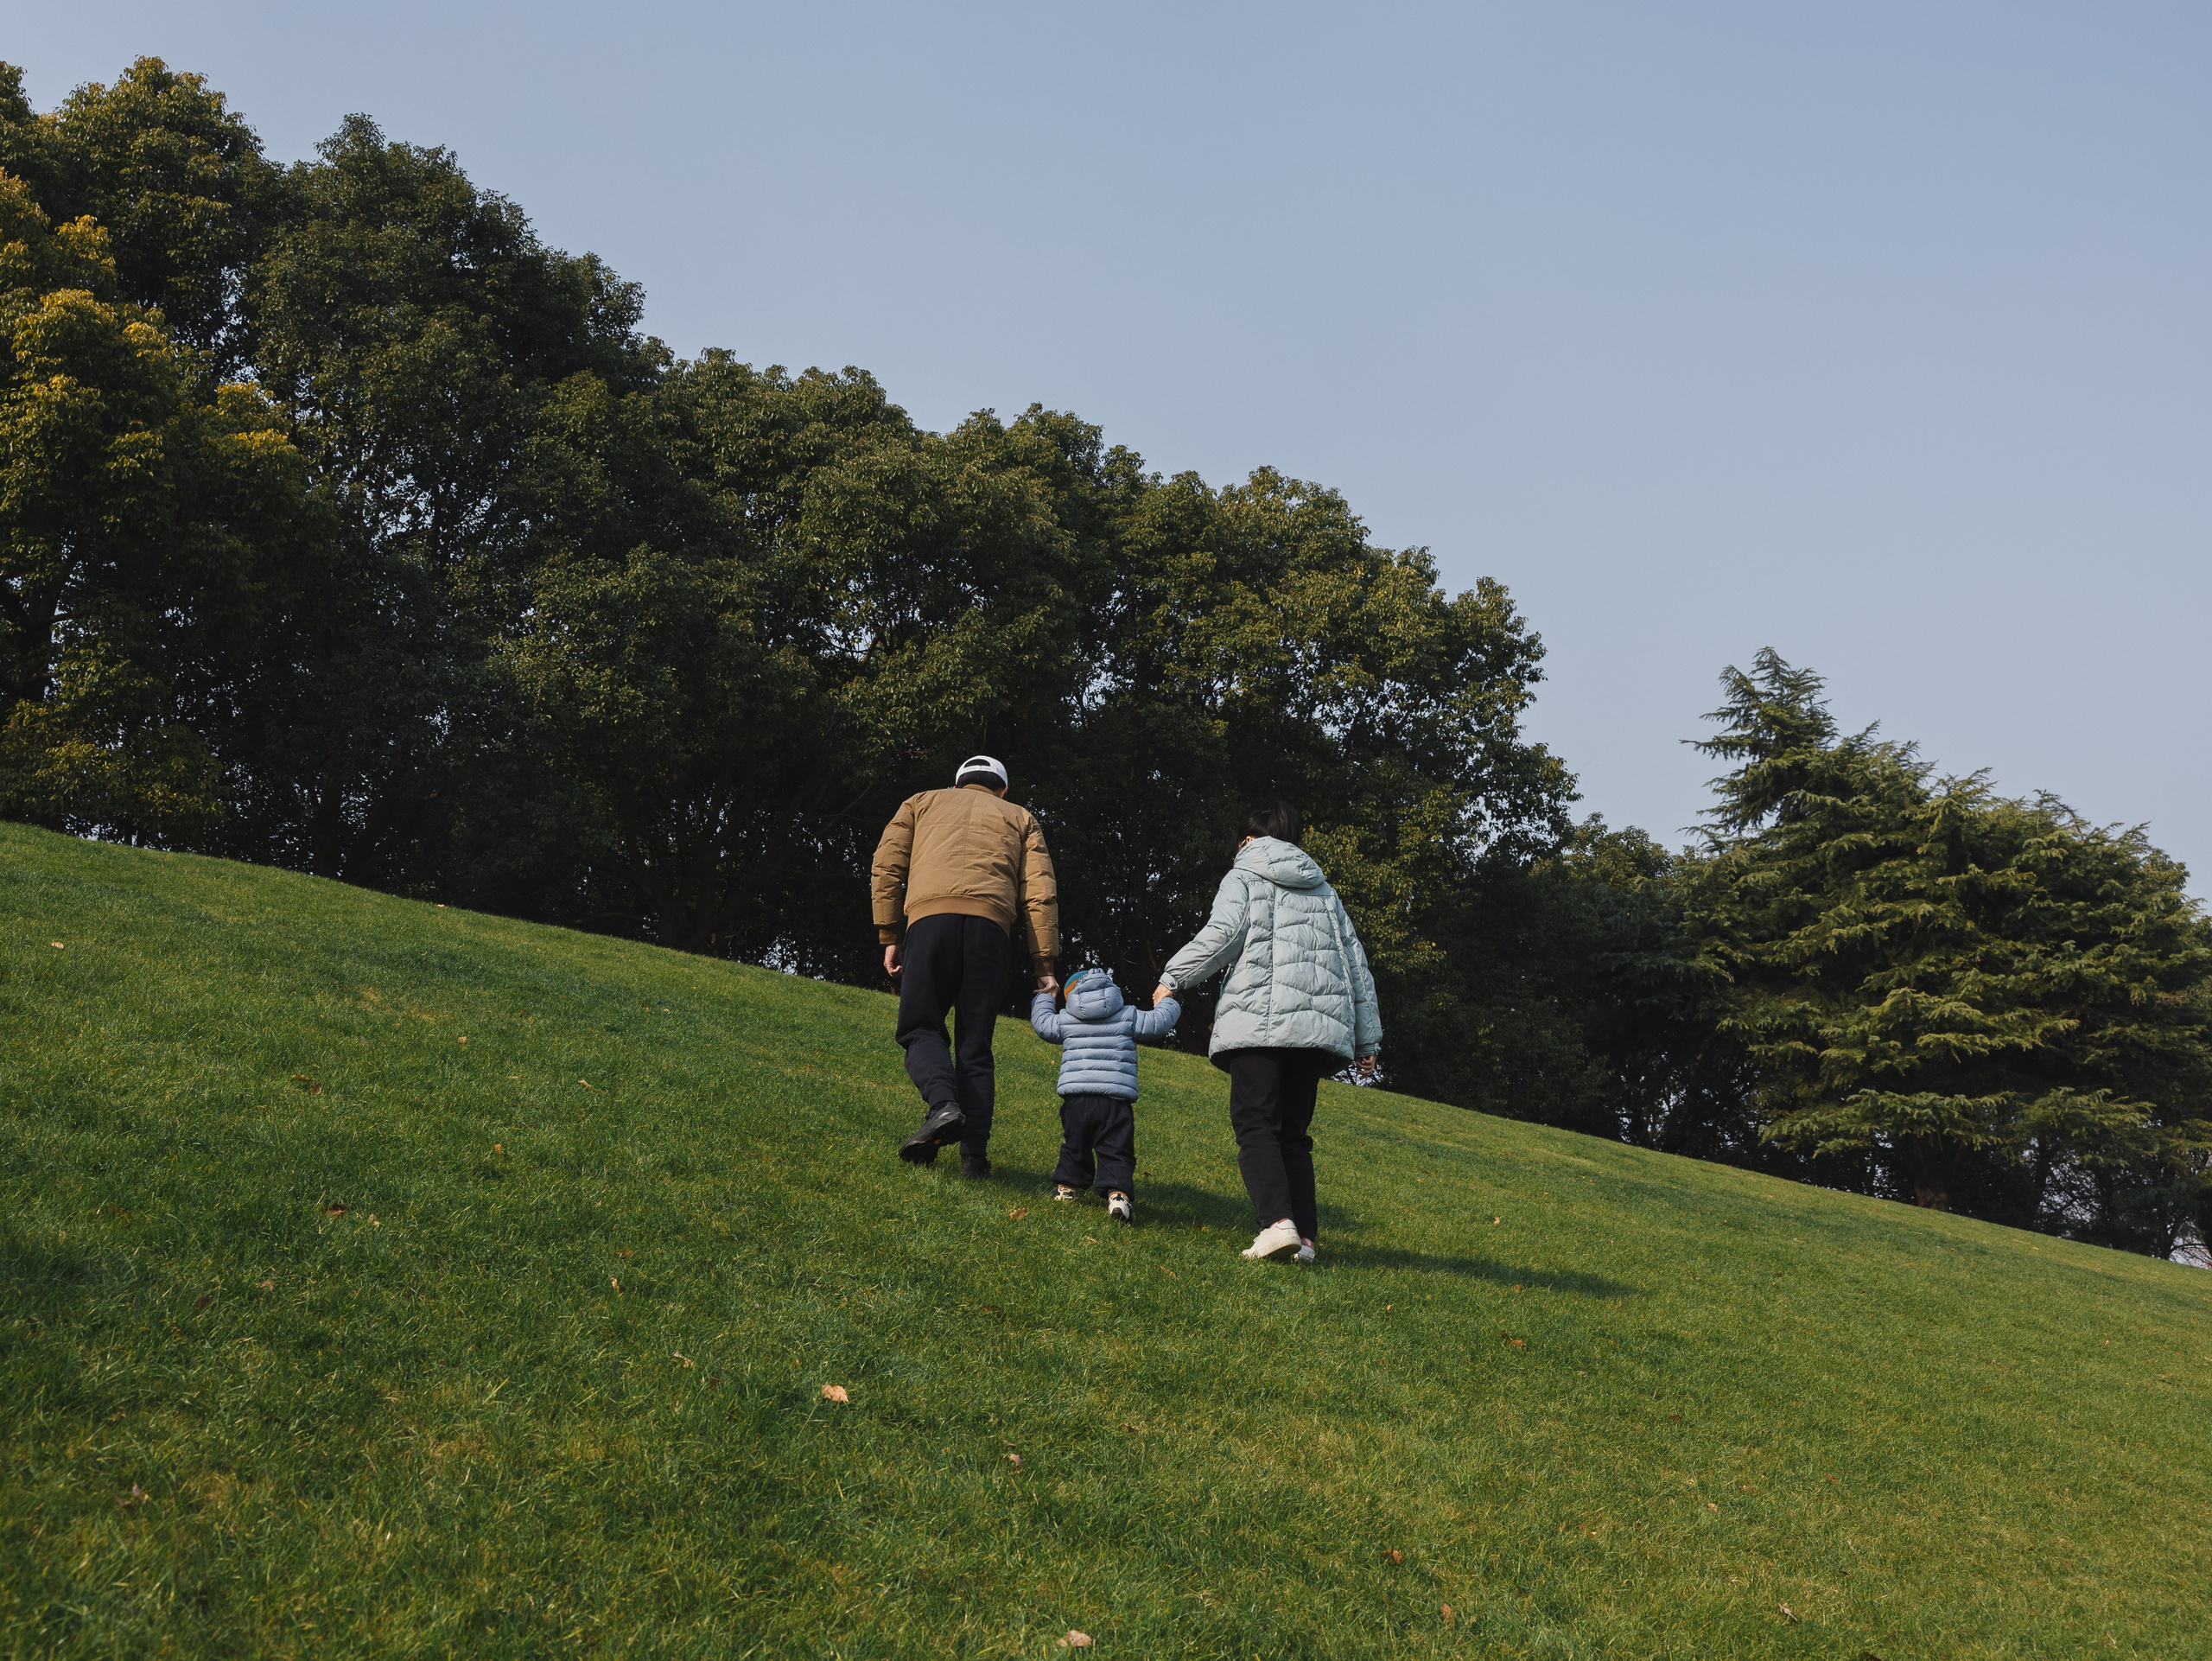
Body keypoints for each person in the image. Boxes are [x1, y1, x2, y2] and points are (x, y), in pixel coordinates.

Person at [1156, 800, 1380, 1263]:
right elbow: (1356, 966)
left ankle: (1278, 1225)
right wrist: (1367, 1040)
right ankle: (1307, 1241)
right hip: (1316, 1031)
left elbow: (1223, 934)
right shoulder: (1325, 892)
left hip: (1260, 1021)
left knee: (1256, 1122)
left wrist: (1172, 978)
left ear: (1247, 839)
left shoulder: (1243, 876)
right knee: (1294, 1134)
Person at [872, 754, 1060, 1174]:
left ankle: (942, 1106)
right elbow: (1040, 895)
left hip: (930, 922)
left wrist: (889, 936)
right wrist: (1043, 964)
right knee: (974, 1049)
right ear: (1003, 790)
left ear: (956, 785)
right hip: (990, 931)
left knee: (921, 1027)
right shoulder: (1021, 818)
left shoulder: (920, 802)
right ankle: (974, 1158)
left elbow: (886, 867)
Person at [1030, 969, 1180, 1225]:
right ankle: (1118, 1196)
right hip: (1115, 1100)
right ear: (1111, 990)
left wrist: (1047, 996)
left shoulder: (1067, 1017)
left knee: (1075, 1144)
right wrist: (1166, 999)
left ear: (1072, 995)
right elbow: (1159, 1022)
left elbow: (1043, 1024)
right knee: (1116, 1148)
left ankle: (1067, 1190)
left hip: (1076, 1098)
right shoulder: (1128, 1015)